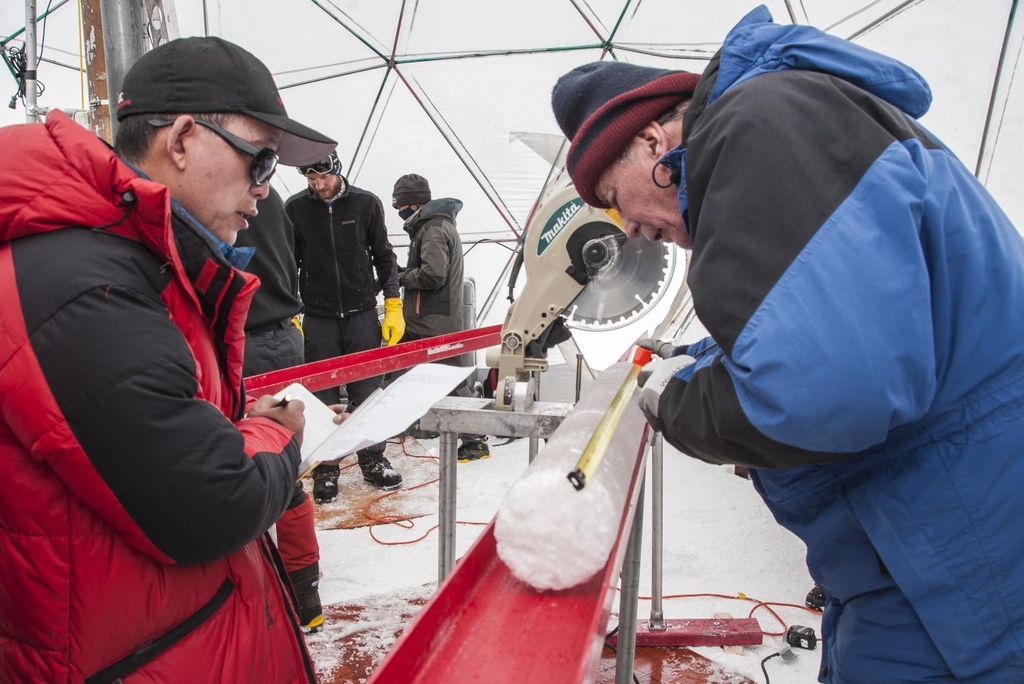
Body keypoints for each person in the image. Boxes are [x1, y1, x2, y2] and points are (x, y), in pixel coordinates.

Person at [551, 6, 1024, 683]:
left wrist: (677, 403)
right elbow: (843, 315)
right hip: (922, 535)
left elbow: (828, 391)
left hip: (961, 551)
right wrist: (707, 362)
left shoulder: (761, 125)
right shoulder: (776, 125)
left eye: (611, 196)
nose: (628, 227)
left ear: (654, 140)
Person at [0, 36, 337, 683]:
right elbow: (214, 502)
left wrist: (236, 427)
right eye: (260, 162)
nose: (266, 190)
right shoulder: (79, 283)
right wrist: (278, 432)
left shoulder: (129, 260)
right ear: (181, 140)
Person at [286, 151, 404, 499]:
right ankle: (327, 466)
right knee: (322, 395)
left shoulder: (365, 204)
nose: (317, 185)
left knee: (366, 391)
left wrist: (393, 302)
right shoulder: (296, 209)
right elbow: (288, 263)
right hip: (318, 316)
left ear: (336, 170)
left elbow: (384, 255)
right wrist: (291, 309)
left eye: (322, 178)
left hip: (361, 314)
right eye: (311, 180)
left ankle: (372, 460)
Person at [236, 186, 324, 633]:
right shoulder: (270, 199)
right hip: (285, 335)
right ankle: (306, 595)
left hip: (247, 341)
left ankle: (281, 600)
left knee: (254, 468)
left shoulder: (217, 193)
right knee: (286, 471)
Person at [392, 174, 489, 462]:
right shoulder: (434, 224)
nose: (399, 211)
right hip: (432, 318)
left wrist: (400, 276)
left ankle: (475, 440)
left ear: (412, 203)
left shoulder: (432, 228)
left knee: (452, 381)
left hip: (434, 320)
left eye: (400, 205)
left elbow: (433, 274)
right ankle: (406, 426)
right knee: (405, 370)